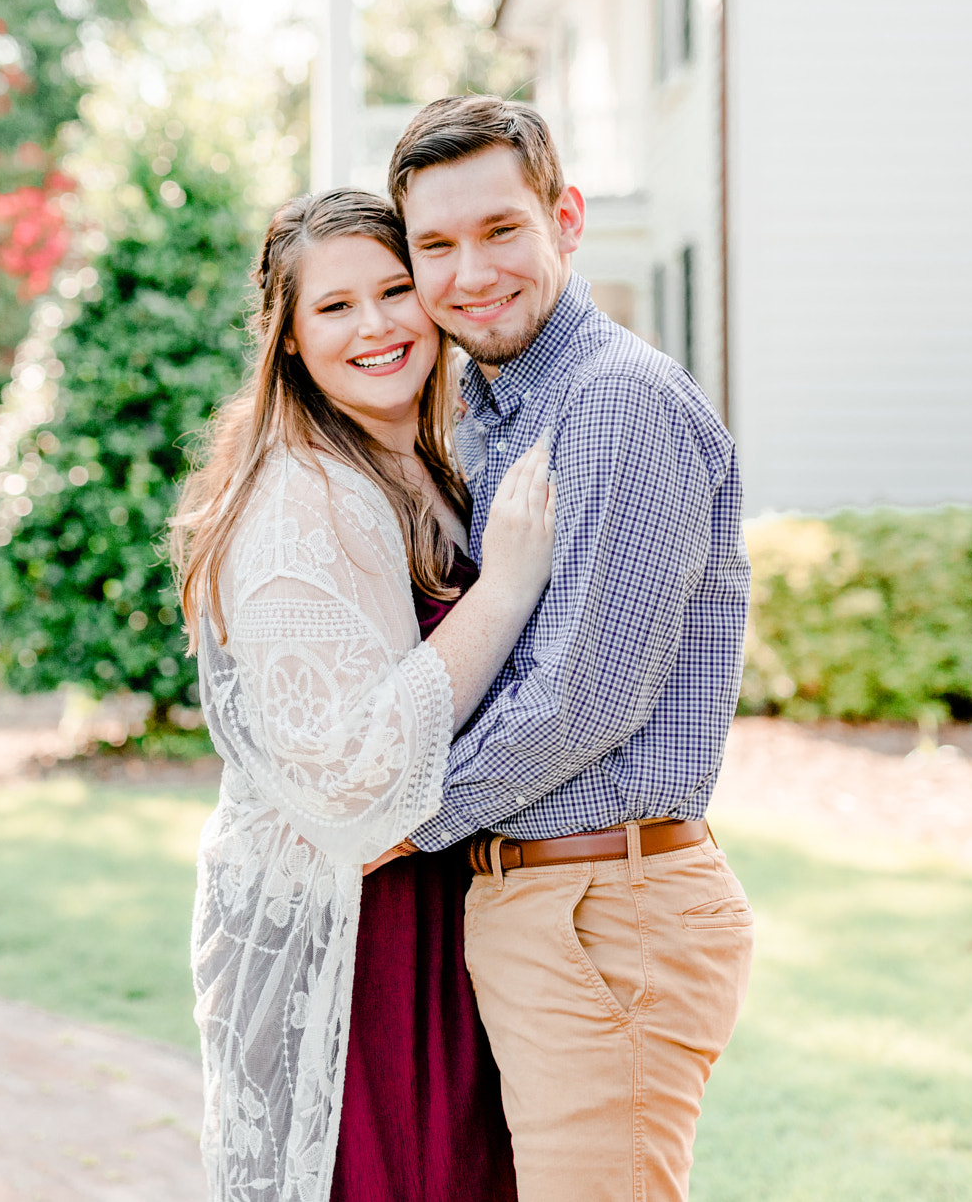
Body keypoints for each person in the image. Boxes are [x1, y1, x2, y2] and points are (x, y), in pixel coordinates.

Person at [387, 95, 756, 1202]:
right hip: (543, 906)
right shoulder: (483, 411)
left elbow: (584, 697)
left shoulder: (610, 405)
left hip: (609, 913)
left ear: (567, 218)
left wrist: (398, 818)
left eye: (501, 230)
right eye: (436, 246)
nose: (471, 273)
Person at [173, 189, 554, 1202]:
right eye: (335, 307)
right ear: (288, 339)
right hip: (361, 932)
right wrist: (508, 583)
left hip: (436, 907)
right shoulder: (303, 495)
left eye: (394, 290)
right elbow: (353, 777)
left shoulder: (428, 459)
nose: (377, 325)